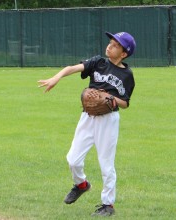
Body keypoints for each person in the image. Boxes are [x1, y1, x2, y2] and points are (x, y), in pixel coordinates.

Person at [38, 31, 136, 217]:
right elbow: (72, 68)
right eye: (110, 42)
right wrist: (56, 77)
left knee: (106, 164)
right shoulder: (98, 62)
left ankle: (108, 205)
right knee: (73, 159)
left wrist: (109, 98)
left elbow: (125, 103)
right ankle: (81, 184)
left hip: (108, 121)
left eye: (116, 45)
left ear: (124, 53)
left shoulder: (126, 75)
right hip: (88, 117)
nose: (110, 46)